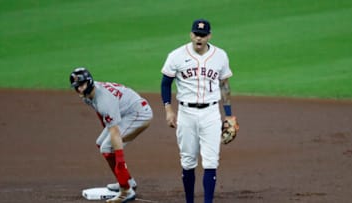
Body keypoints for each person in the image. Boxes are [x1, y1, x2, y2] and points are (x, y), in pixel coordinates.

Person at [160, 19, 236, 203]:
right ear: (191, 35)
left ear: (209, 36)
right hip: (186, 114)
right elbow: (165, 83)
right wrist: (168, 109)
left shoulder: (220, 55)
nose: (199, 38)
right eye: (196, 34)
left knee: (211, 161)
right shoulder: (176, 55)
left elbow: (224, 85)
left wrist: (229, 114)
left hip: (211, 114)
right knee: (187, 161)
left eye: (203, 35)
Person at [69, 67, 153, 203]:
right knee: (101, 143)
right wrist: (106, 132)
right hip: (124, 113)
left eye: (81, 85)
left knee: (107, 147)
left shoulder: (104, 100)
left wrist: (120, 160)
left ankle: (126, 190)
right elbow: (101, 114)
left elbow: (114, 131)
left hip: (139, 114)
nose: (79, 89)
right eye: (76, 87)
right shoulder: (88, 95)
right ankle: (127, 181)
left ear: (89, 82)